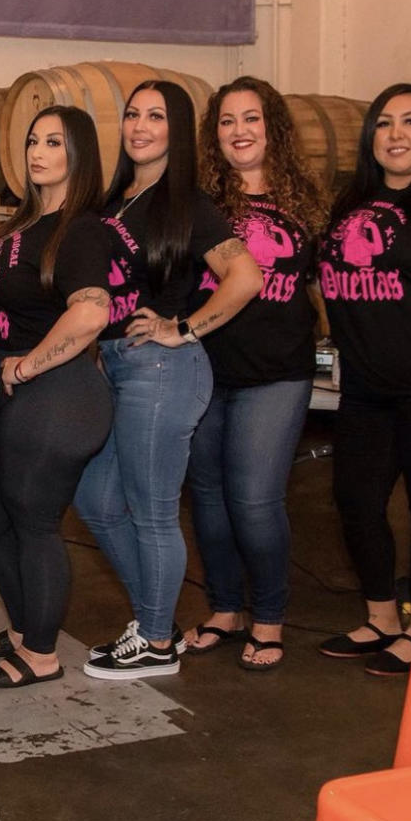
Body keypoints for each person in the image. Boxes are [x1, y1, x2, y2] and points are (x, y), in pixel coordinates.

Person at [74, 80, 262, 681]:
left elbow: (246, 276)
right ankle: (156, 619)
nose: (140, 126)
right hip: (117, 366)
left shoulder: (187, 203)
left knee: (152, 511)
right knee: (97, 501)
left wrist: (183, 328)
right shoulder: (114, 200)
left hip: (163, 369)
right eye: (133, 114)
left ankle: (155, 641)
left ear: (177, 131)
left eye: (156, 116)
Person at [0, 107, 113, 686]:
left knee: (33, 519)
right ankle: (25, 627)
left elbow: (92, 312)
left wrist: (28, 364)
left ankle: (41, 653)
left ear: (81, 153)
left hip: (61, 395)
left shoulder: (82, 228)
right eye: (31, 141)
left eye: (54, 141)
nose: (37, 151)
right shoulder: (18, 228)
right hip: (15, 394)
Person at [184, 77, 328, 670]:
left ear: (273, 128)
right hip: (204, 367)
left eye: (251, 119)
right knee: (209, 499)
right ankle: (224, 609)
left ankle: (268, 618)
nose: (239, 131)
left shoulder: (306, 202)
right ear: (213, 134)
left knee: (255, 500)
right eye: (226, 121)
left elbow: (325, 289)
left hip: (276, 371)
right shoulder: (198, 201)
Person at [317, 83, 411, 675]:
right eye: (385, 122)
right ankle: (382, 618)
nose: (395, 134)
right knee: (356, 499)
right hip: (365, 387)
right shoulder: (353, 200)